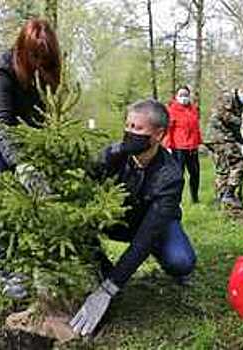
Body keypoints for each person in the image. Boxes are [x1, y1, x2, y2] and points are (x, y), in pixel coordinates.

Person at [70, 99, 197, 336]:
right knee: (76, 225)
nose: (130, 133)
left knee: (181, 261)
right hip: (117, 219)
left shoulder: (170, 176)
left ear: (158, 134)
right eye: (128, 125)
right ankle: (103, 267)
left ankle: (161, 256)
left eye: (138, 129)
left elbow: (145, 238)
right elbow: (80, 188)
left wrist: (107, 290)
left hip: (155, 224)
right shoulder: (113, 154)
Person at [0, 19, 61, 298]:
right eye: (34, 56)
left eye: (44, 58)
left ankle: (47, 265)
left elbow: (44, 113)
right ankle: (8, 271)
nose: (37, 63)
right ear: (22, 49)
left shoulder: (45, 70)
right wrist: (21, 164)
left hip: (23, 135)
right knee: (4, 197)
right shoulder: (0, 74)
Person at [205, 85, 243, 209]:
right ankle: (229, 194)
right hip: (218, 137)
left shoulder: (239, 104)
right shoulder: (228, 97)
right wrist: (242, 122)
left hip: (220, 138)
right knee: (239, 164)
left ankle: (221, 199)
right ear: (242, 92)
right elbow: (222, 113)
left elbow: (234, 128)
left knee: (223, 168)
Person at [163, 86, 202, 203]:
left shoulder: (193, 109)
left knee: (195, 174)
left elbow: (196, 128)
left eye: (186, 94)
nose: (184, 97)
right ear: (176, 96)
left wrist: (199, 142)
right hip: (178, 148)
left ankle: (195, 198)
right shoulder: (172, 110)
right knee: (179, 175)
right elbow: (168, 129)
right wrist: (168, 146)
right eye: (181, 95)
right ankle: (176, 199)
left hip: (192, 147)